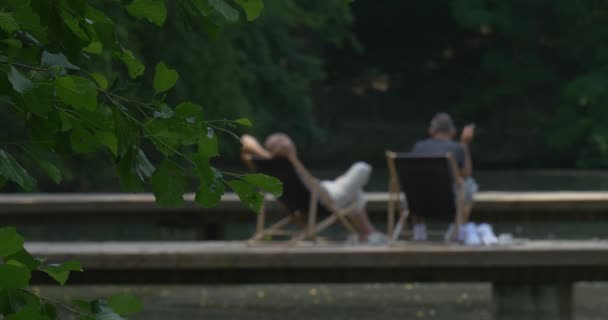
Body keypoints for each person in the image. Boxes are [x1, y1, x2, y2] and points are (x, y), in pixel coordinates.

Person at [241, 133, 387, 245]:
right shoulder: (290, 164)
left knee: (355, 192)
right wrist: (285, 155)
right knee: (362, 168)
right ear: (287, 149)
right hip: (324, 197)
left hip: (317, 191)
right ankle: (369, 234)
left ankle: (366, 234)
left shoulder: (270, 168)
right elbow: (245, 138)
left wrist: (266, 155)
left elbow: (245, 140)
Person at [410, 113, 498, 245]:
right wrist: (465, 144)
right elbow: (467, 173)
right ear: (452, 132)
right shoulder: (456, 148)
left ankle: (419, 231)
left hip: (417, 203)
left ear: (431, 131)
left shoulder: (418, 147)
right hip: (448, 204)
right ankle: (457, 228)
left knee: (415, 184)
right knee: (470, 184)